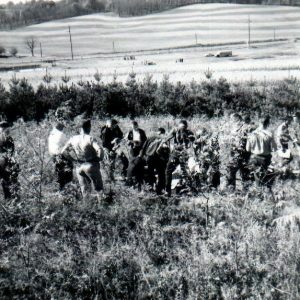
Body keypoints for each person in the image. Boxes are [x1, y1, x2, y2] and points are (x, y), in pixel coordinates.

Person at [61, 119, 104, 199]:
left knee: (85, 190)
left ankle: (87, 208)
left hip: (79, 166)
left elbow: (63, 151)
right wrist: (99, 158)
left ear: (80, 128)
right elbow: (99, 149)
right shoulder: (90, 138)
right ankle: (102, 206)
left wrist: (73, 160)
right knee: (99, 189)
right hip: (90, 164)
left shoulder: (73, 138)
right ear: (89, 127)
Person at [164, 120, 195, 197]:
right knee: (168, 170)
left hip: (184, 153)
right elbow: (166, 139)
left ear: (186, 127)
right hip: (175, 153)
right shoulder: (175, 130)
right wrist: (168, 147)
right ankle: (167, 191)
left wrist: (191, 139)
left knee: (187, 171)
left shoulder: (189, 132)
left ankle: (190, 189)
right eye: (181, 127)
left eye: (184, 127)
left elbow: (193, 140)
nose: (182, 129)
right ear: (178, 126)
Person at [225, 113, 254, 190]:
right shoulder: (235, 127)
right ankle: (233, 190)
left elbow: (248, 139)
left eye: (232, 119)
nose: (230, 121)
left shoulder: (245, 127)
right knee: (234, 172)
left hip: (242, 153)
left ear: (237, 118)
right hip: (235, 154)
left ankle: (245, 191)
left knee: (242, 172)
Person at [246, 116, 276, 186]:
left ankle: (258, 191)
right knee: (267, 178)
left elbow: (247, 149)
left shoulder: (252, 134)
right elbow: (273, 149)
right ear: (267, 123)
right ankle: (266, 192)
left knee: (257, 177)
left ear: (258, 122)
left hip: (254, 158)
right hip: (265, 159)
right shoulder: (269, 134)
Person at [141, 127, 170, 194]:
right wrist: (166, 159)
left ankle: (150, 187)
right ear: (163, 133)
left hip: (149, 157)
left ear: (157, 132)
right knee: (161, 173)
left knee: (150, 173)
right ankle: (160, 189)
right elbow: (166, 150)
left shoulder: (150, 137)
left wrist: (143, 157)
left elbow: (143, 148)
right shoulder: (163, 139)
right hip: (158, 158)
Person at [48, 122, 73, 190]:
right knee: (67, 172)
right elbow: (67, 145)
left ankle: (60, 189)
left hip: (53, 156)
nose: (63, 129)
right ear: (61, 128)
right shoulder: (62, 134)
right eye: (62, 127)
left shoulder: (51, 135)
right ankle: (68, 188)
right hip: (61, 155)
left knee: (58, 173)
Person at [0, 121, 19, 200]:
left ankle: (12, 199)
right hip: (2, 163)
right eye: (3, 128)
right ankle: (9, 199)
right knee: (7, 181)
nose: (6, 130)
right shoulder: (2, 138)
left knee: (10, 181)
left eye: (7, 129)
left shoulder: (9, 138)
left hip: (8, 162)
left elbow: (11, 152)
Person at [126, 121, 147, 188]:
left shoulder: (141, 132)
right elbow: (127, 140)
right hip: (133, 149)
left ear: (137, 126)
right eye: (132, 127)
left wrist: (139, 143)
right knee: (132, 162)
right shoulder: (130, 132)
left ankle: (140, 178)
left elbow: (145, 141)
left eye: (135, 127)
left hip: (140, 148)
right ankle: (131, 179)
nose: (134, 128)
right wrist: (131, 142)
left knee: (139, 162)